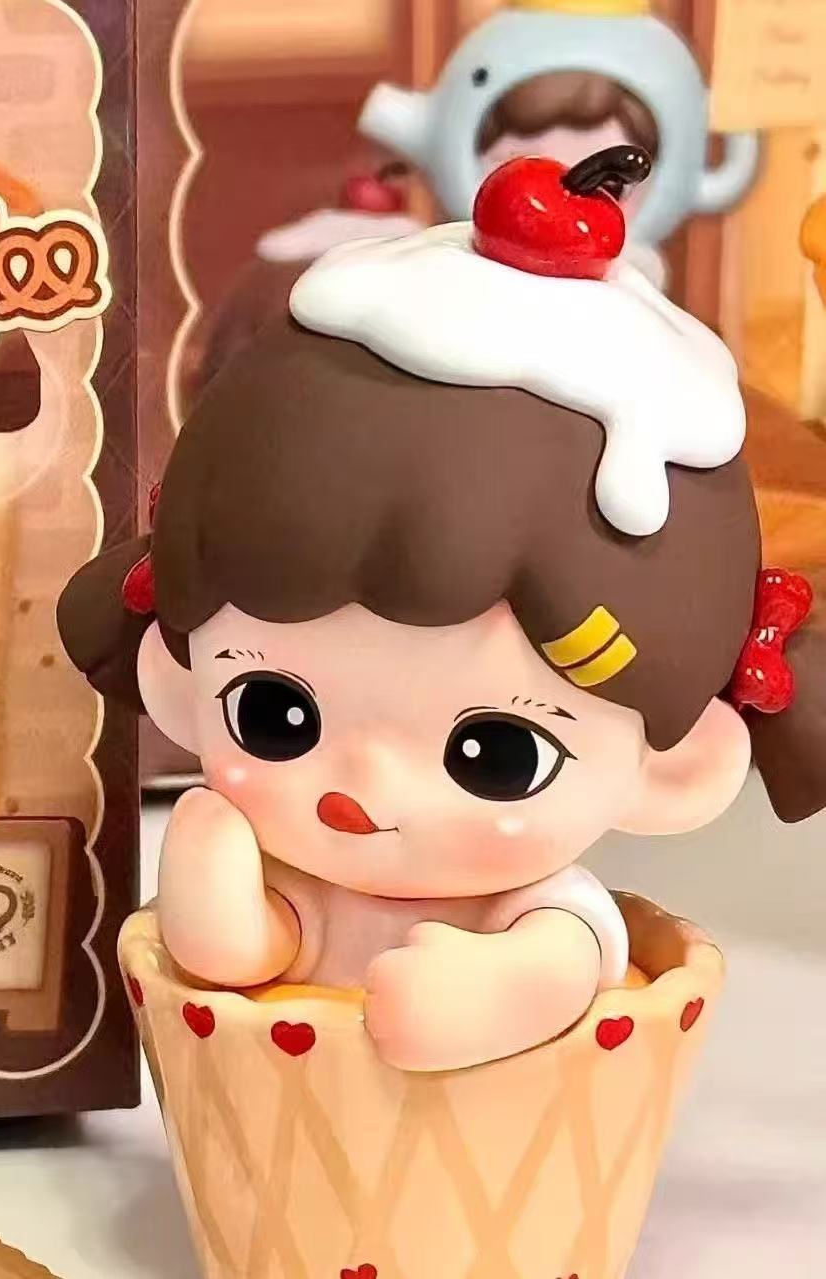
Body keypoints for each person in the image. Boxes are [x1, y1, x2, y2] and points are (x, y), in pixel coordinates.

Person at [61, 148, 823, 1071]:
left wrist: (498, 992)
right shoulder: (299, 878)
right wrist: (214, 889)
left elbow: (559, 960)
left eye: (497, 754)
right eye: (272, 713)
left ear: (676, 769)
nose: (365, 781)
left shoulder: (537, 911)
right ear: (178, 677)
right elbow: (246, 949)